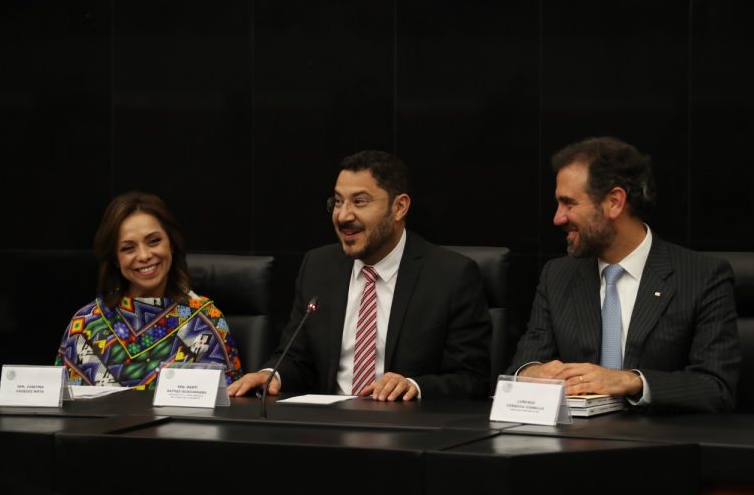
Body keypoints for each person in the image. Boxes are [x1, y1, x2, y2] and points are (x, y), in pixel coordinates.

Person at [228, 150, 491, 400]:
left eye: (359, 202)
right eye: (338, 202)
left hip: (408, 431)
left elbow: (472, 380)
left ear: (399, 207)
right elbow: (297, 358)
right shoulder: (319, 266)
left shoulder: (451, 276)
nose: (343, 216)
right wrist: (272, 376)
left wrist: (413, 386)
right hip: (329, 430)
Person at [508, 137, 740, 413]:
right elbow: (523, 366)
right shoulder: (557, 276)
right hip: (572, 448)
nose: (558, 218)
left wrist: (632, 381)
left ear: (614, 202)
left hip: (662, 446)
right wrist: (534, 374)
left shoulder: (702, 277)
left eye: (569, 203)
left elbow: (717, 388)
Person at [55, 191, 243, 389]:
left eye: (154, 241)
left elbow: (228, 406)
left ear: (172, 244)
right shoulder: (86, 325)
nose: (144, 255)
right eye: (128, 248)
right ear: (115, 260)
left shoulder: (206, 320)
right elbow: (66, 413)